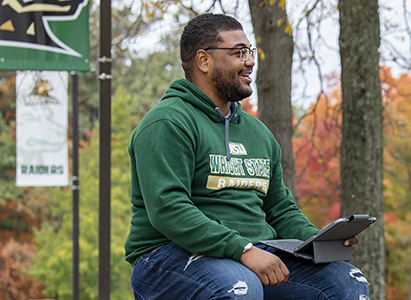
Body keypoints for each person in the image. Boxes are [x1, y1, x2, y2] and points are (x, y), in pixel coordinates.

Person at [124, 13, 368, 299]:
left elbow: (279, 209)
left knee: (346, 281)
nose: (250, 61)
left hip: (253, 252)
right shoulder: (168, 123)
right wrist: (242, 249)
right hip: (166, 258)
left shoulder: (257, 133)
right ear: (204, 61)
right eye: (239, 53)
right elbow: (168, 209)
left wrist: (317, 241)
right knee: (240, 287)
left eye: (250, 52)